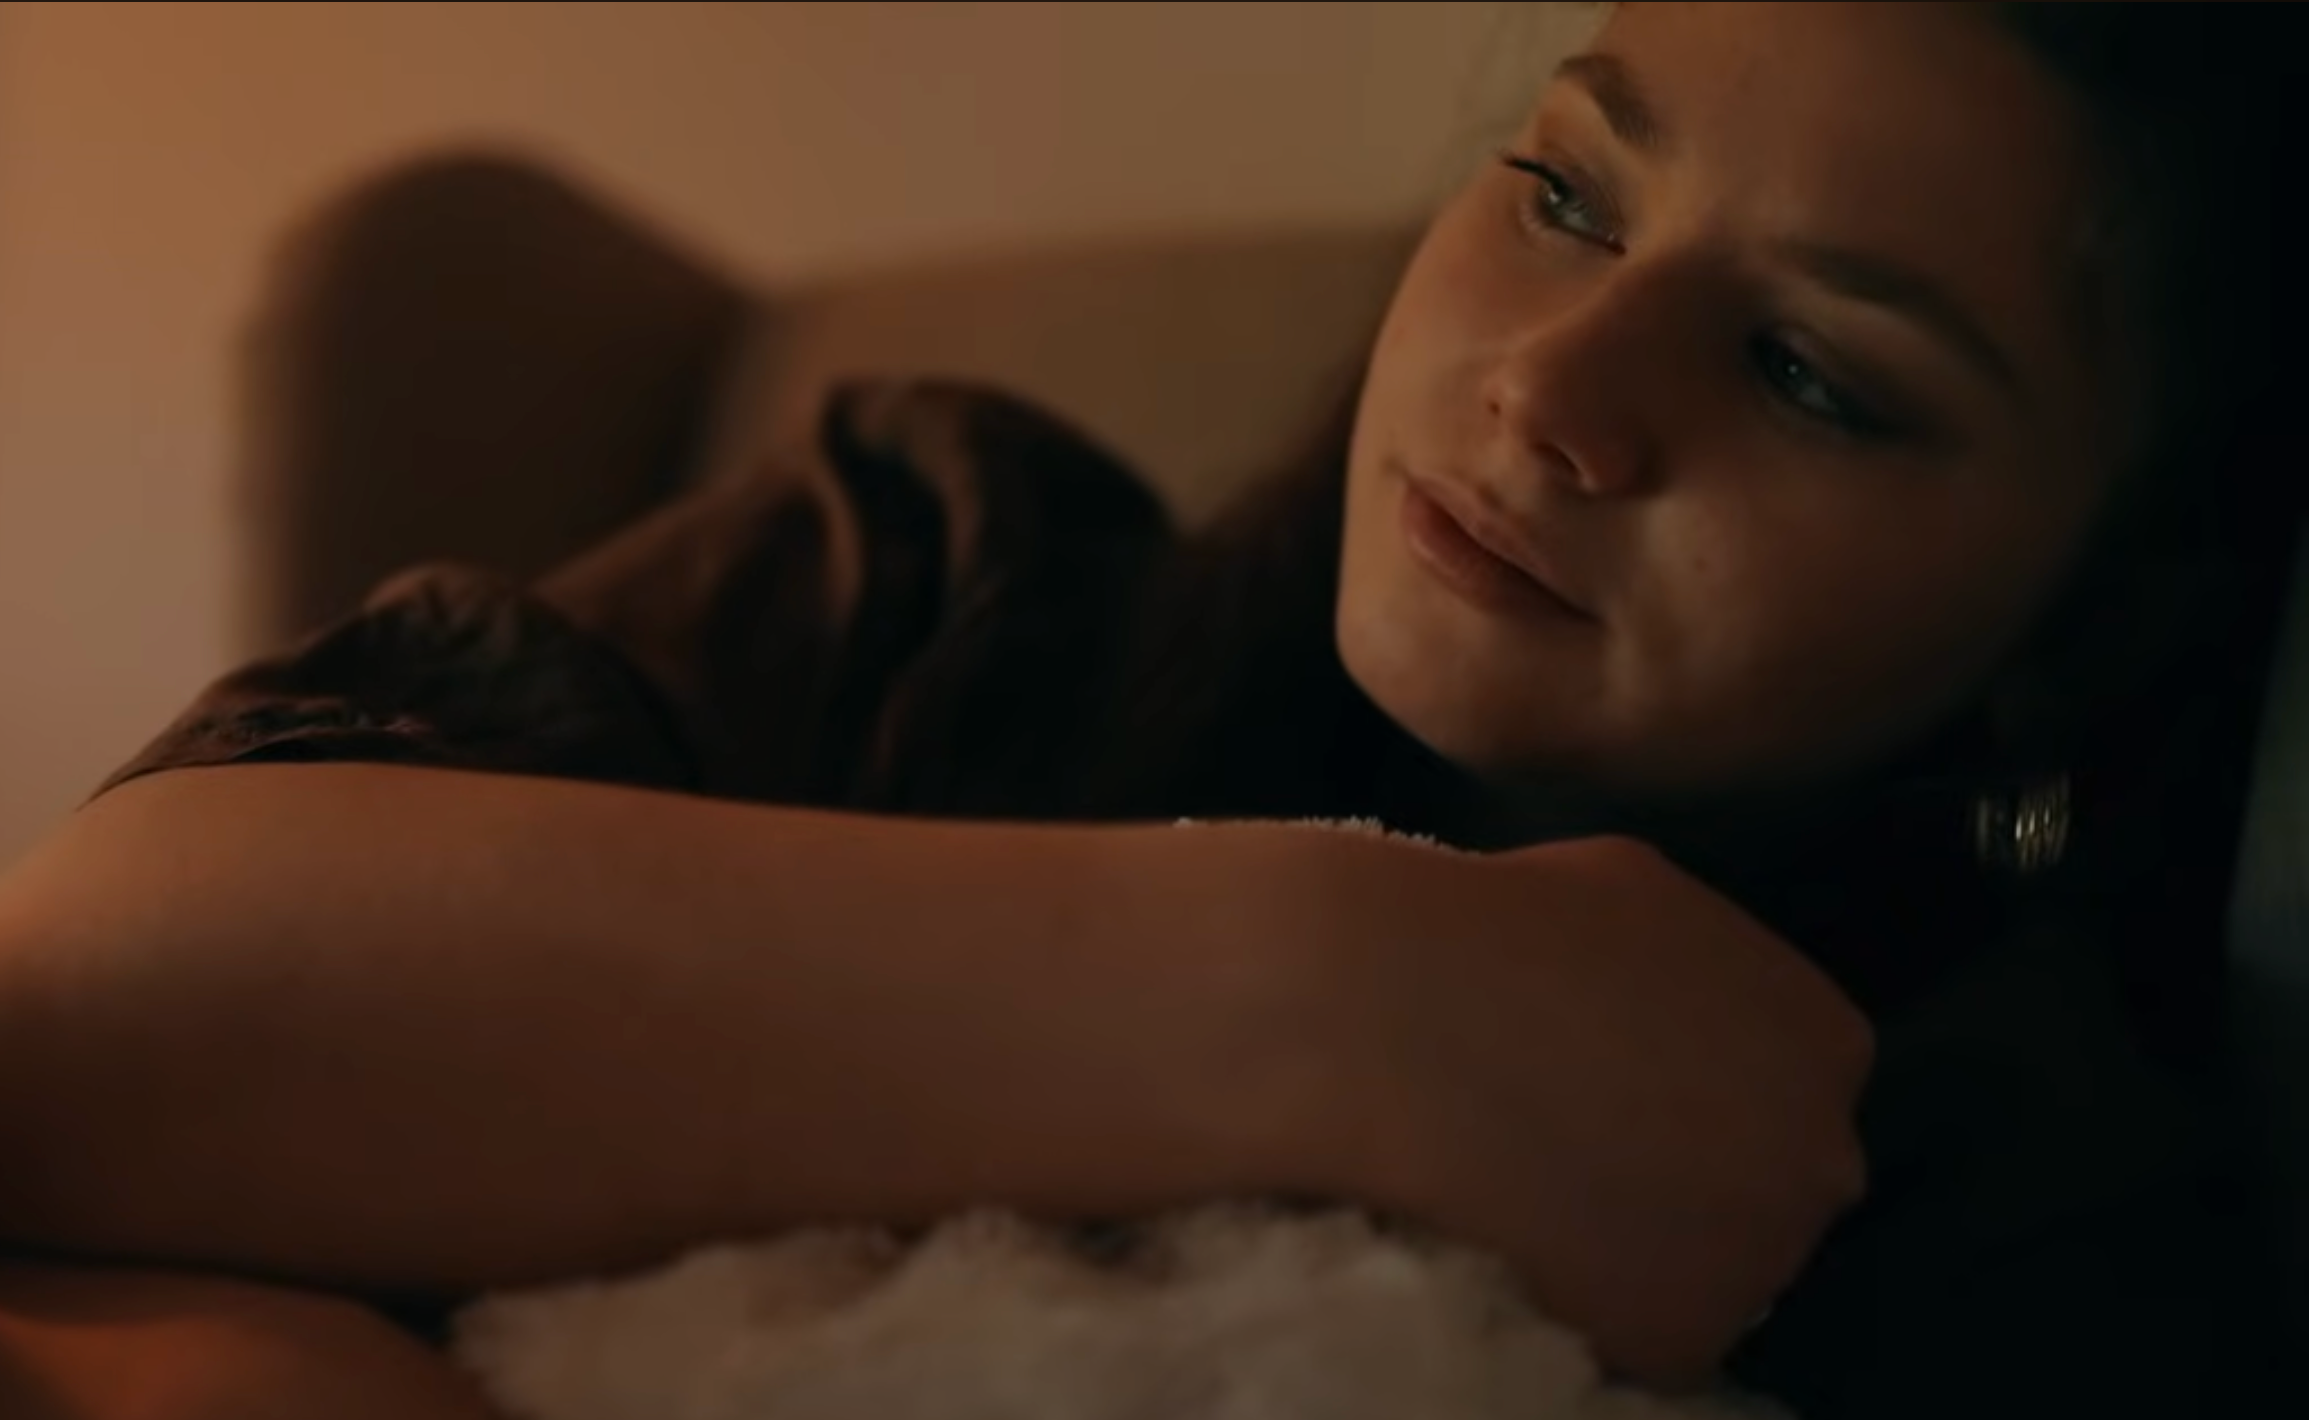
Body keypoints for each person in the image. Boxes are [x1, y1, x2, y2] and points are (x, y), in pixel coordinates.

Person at [0, 2, 2298, 1415]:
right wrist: (1332, 987)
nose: (1549, 387)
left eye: (1806, 369)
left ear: (2097, 604)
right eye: (1562, 191)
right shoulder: (937, 576)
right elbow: (71, 1010)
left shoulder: (2038, 1242)